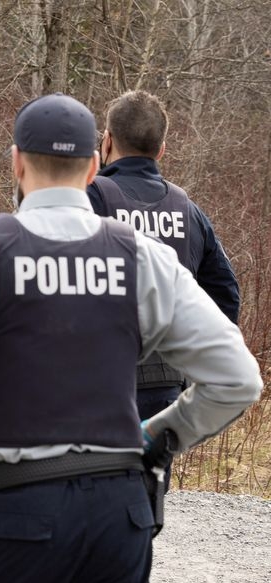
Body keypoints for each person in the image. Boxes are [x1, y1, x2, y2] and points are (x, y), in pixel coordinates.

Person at [0, 93, 263, 583]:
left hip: (10, 514)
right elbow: (238, 378)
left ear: (16, 161)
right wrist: (155, 438)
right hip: (119, 523)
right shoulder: (141, 257)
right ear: (92, 166)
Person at [89, 89, 241, 424]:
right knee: (152, 476)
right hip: (165, 384)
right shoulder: (188, 210)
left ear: (107, 141)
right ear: (161, 149)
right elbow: (226, 294)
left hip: (97, 378)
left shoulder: (88, 200)